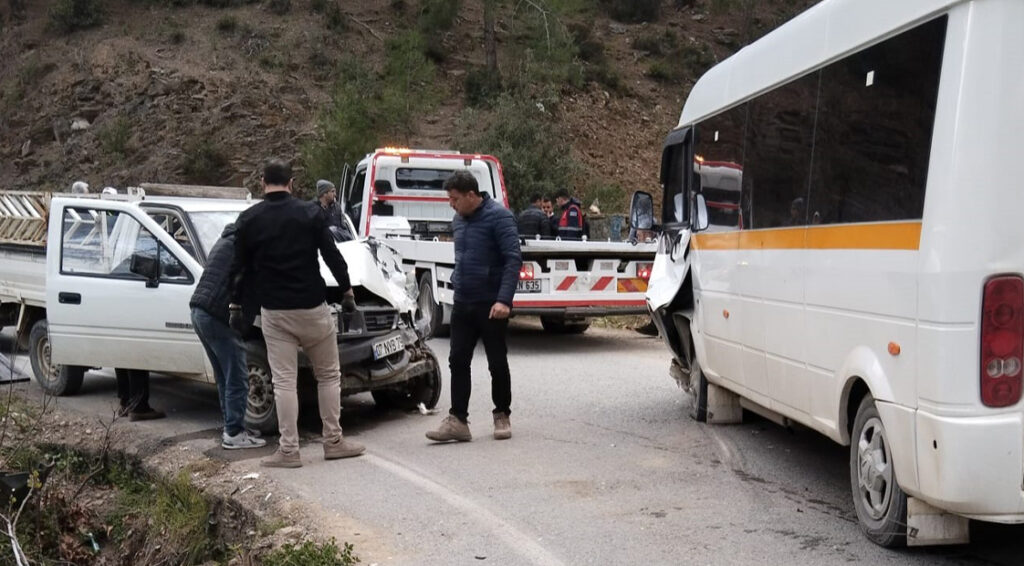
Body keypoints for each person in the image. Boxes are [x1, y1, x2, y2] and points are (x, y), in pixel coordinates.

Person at [229, 159, 364, 468]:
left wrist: (235, 305)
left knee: (284, 382)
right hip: (313, 307)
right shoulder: (310, 213)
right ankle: (334, 441)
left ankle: (289, 450)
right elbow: (332, 255)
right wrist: (347, 292)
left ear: (262, 182)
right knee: (328, 375)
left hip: (275, 312)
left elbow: (238, 269)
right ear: (291, 183)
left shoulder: (249, 219)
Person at [426, 171, 522, 443]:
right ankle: (458, 420)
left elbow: (513, 259)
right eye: (449, 199)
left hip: (491, 304)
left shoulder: (500, 217)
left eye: (455, 199)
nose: (451, 204)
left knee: (496, 362)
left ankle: (501, 414)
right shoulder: (459, 220)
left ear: (471, 195)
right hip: (463, 301)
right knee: (457, 360)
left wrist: (504, 300)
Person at [190, 223, 265, 450]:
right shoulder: (247, 248)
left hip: (200, 310)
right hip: (219, 316)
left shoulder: (227, 239)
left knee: (224, 376)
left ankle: (233, 426)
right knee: (237, 377)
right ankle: (234, 433)